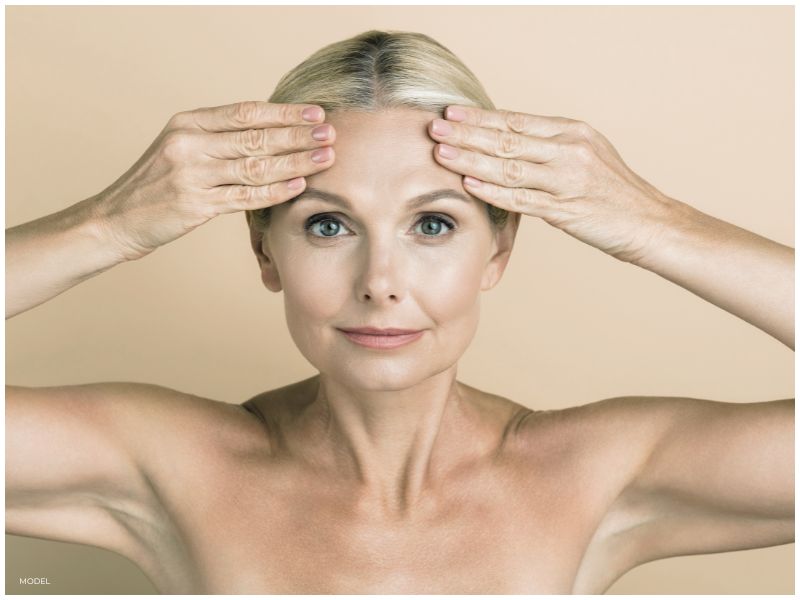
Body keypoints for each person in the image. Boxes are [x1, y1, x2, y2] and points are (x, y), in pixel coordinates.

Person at [5, 30, 794, 594]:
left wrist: (657, 223)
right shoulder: (170, 465)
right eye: (327, 224)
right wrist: (105, 224)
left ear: (497, 250)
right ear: (264, 251)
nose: (380, 281)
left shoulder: (600, 475)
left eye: (433, 224)